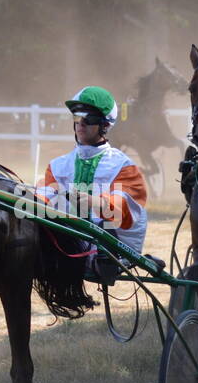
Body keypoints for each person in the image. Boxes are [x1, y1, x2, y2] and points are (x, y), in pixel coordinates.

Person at [37, 86, 148, 279]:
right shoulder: (57, 166)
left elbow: (128, 212)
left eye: (88, 118)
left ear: (104, 125)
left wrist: (95, 202)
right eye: (77, 117)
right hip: (69, 244)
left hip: (113, 249)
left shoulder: (123, 166)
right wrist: (33, 200)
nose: (80, 123)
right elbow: (44, 199)